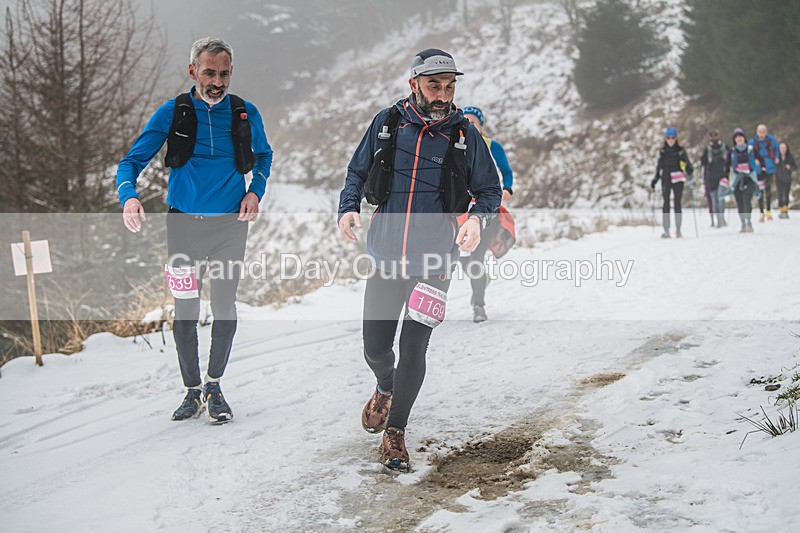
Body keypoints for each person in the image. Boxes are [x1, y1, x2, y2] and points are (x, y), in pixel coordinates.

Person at [337, 48, 502, 471]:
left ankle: (396, 431)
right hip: (386, 255)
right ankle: (384, 385)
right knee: (375, 347)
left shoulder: (464, 135)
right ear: (414, 85)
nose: (443, 94)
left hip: (437, 261)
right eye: (434, 85)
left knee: (414, 346)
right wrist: (348, 207)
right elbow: (355, 172)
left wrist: (479, 221)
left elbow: (489, 191)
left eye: (449, 86)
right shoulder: (388, 123)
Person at [116, 38, 273, 423]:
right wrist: (129, 197)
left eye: (224, 74)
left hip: (229, 228)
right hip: (182, 226)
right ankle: (191, 392)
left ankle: (214, 385)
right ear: (192, 71)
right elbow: (131, 161)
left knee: (223, 307)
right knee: (185, 311)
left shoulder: (243, 112)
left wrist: (255, 191)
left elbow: (265, 156)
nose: (217, 82)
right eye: (209, 73)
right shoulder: (173, 113)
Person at [459, 105, 513, 323]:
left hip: (487, 211)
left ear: (481, 125)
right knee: (461, 259)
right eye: (465, 121)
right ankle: (481, 279)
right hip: (461, 212)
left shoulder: (492, 146)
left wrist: (507, 189)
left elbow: (506, 171)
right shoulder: (456, 145)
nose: (469, 125)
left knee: (476, 257)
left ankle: (479, 306)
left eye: (473, 121)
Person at [651, 126, 693, 238]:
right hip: (666, 178)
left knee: (677, 203)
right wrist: (656, 178)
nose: (670, 140)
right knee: (666, 204)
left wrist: (689, 170)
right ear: (665, 139)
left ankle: (678, 230)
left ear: (675, 138)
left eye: (672, 137)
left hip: (678, 178)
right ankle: (666, 230)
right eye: (668, 137)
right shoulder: (663, 151)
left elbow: (688, 164)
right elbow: (659, 166)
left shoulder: (680, 151)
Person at [727, 128, 762, 233]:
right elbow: (726, 165)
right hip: (737, 179)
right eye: (736, 137)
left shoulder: (751, 149)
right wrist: (724, 176)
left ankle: (748, 222)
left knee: (747, 200)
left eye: (740, 136)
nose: (739, 139)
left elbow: (760, 160)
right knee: (740, 202)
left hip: (749, 178)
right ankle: (743, 223)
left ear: (744, 138)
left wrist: (759, 164)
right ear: (734, 140)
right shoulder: (732, 151)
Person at [749, 124, 780, 222]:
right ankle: (761, 212)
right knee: (760, 191)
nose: (761, 134)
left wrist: (776, 157)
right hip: (758, 169)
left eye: (763, 132)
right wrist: (754, 160)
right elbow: (748, 154)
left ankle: (769, 211)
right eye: (760, 132)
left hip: (769, 167)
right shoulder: (752, 142)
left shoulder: (771, 140)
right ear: (757, 132)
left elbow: (777, 149)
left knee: (768, 189)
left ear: (766, 132)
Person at [699, 128, 730, 228]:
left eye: (715, 135)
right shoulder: (707, 151)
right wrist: (703, 180)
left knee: (721, 198)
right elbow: (703, 166)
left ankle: (721, 219)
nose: (713, 137)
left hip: (723, 176)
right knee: (714, 201)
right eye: (711, 135)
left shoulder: (725, 148)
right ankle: (718, 220)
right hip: (711, 178)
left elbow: (730, 162)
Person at [776, 142, 796, 219]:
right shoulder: (777, 157)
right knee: (780, 194)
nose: (783, 150)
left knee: (786, 194)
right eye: (781, 148)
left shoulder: (790, 157)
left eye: (784, 148)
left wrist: (789, 167)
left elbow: (795, 167)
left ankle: (785, 211)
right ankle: (781, 210)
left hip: (787, 179)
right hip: (778, 178)